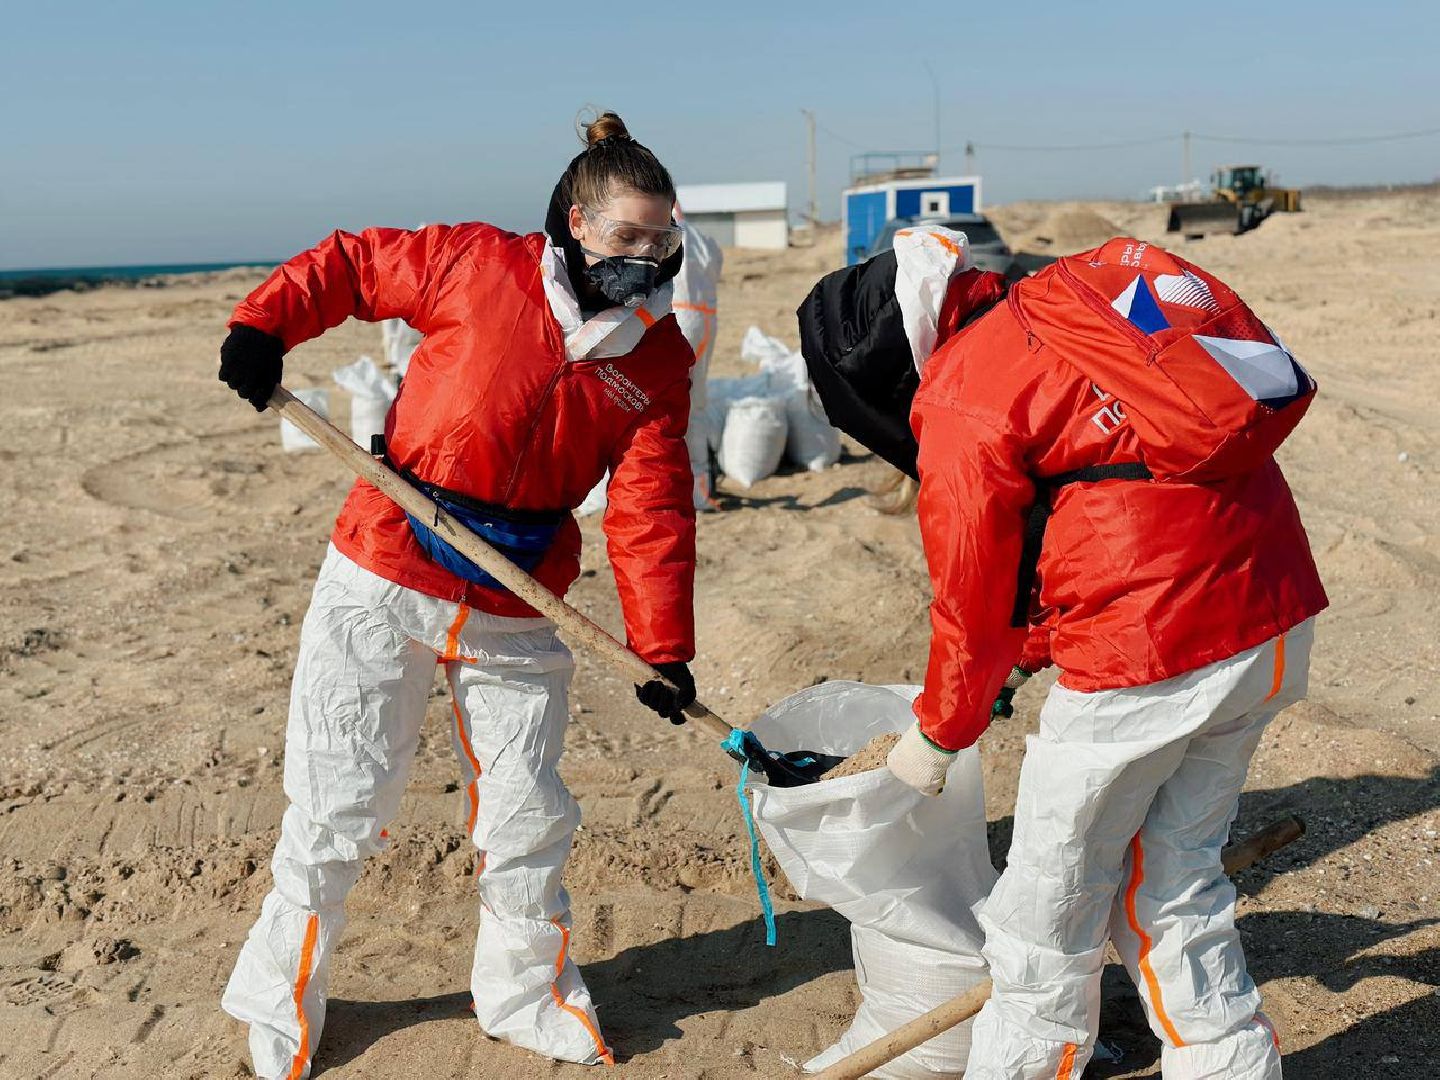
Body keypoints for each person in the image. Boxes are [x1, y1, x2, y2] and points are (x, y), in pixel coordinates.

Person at [216, 111, 700, 1079]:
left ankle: (525, 995)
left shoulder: (656, 360)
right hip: (387, 564)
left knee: (528, 811)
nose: (644, 258)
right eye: (625, 237)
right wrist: (262, 324)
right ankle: (281, 1002)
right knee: (337, 797)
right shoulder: (476, 265)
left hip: (521, 598)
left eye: (661, 240)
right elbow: (353, 265)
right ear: (573, 221)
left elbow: (650, 506)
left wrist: (663, 645)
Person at [798, 227, 1327, 1079]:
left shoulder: (963, 391)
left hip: (1149, 654)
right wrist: (1032, 647)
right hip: (1267, 611)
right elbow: (1110, 496)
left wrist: (938, 734)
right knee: (1174, 880)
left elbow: (969, 597)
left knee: (1045, 910)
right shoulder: (1048, 315)